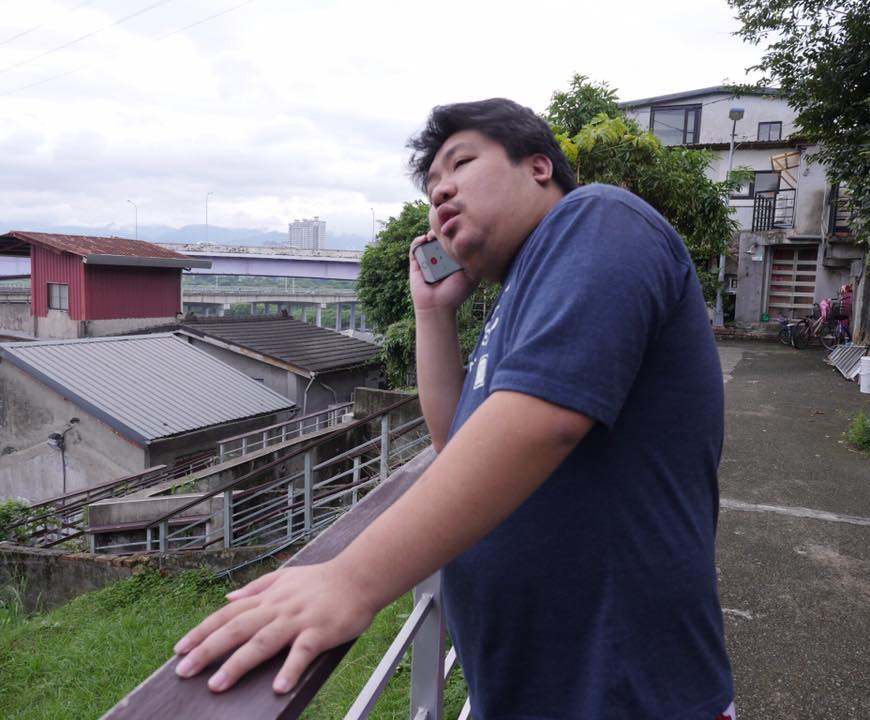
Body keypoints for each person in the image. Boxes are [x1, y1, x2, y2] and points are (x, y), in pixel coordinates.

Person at [173, 98, 735, 719]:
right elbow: (455, 442)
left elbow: (540, 426)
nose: (440, 191)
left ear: (539, 166)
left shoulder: (598, 219)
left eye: (461, 164)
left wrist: (352, 580)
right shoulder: (517, 296)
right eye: (432, 186)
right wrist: (434, 313)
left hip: (632, 694)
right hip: (536, 692)